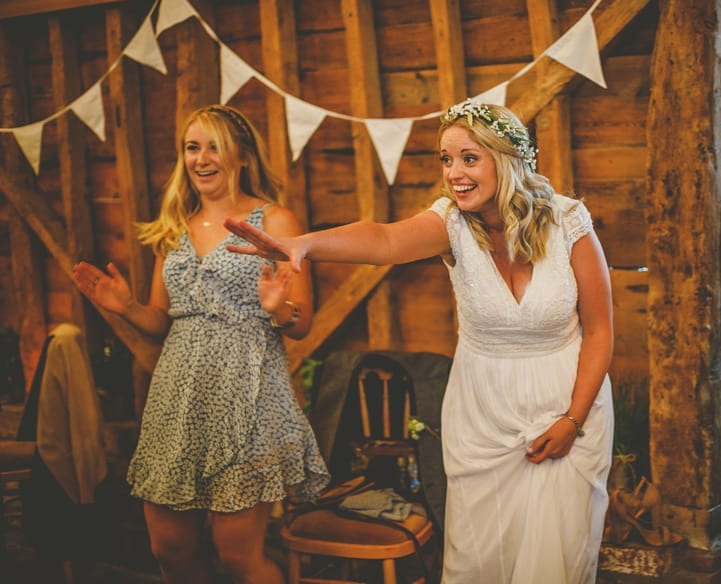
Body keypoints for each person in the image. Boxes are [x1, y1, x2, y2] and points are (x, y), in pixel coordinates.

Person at [226, 99, 616, 583]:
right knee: (482, 559)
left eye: (469, 158)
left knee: (557, 560)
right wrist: (306, 245)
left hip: (568, 407)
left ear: (507, 158)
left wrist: (573, 420)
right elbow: (383, 240)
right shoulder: (450, 225)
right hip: (484, 417)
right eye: (446, 159)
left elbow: (600, 331)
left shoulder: (568, 222)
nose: (454, 173)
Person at [73, 104, 329, 584]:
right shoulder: (175, 226)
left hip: (248, 395)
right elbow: (160, 320)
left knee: (236, 555)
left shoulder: (275, 221)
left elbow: (302, 321)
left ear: (242, 156)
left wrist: (277, 310)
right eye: (193, 147)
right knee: (169, 548)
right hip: (178, 399)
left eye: (215, 146)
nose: (202, 158)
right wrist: (126, 306)